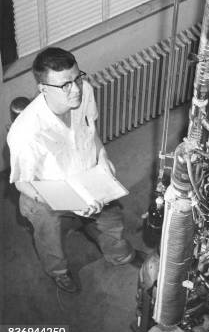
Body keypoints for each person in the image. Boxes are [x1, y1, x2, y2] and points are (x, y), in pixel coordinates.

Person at [7, 47, 135, 293]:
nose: (75, 89)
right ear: (43, 89)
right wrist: (70, 202)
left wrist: (102, 156)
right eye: (65, 85)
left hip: (89, 178)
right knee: (49, 238)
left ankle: (117, 254)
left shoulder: (84, 91)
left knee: (111, 219)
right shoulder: (25, 132)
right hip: (46, 194)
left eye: (77, 78)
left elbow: (91, 130)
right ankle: (58, 272)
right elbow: (23, 184)